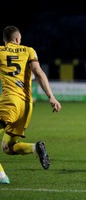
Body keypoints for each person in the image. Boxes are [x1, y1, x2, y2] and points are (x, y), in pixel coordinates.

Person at [0, 26, 62, 184]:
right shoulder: (29, 50)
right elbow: (39, 73)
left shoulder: (1, 51)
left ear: (5, 40)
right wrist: (51, 97)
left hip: (10, 102)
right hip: (26, 107)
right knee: (7, 147)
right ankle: (35, 148)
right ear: (17, 39)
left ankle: (1, 177)